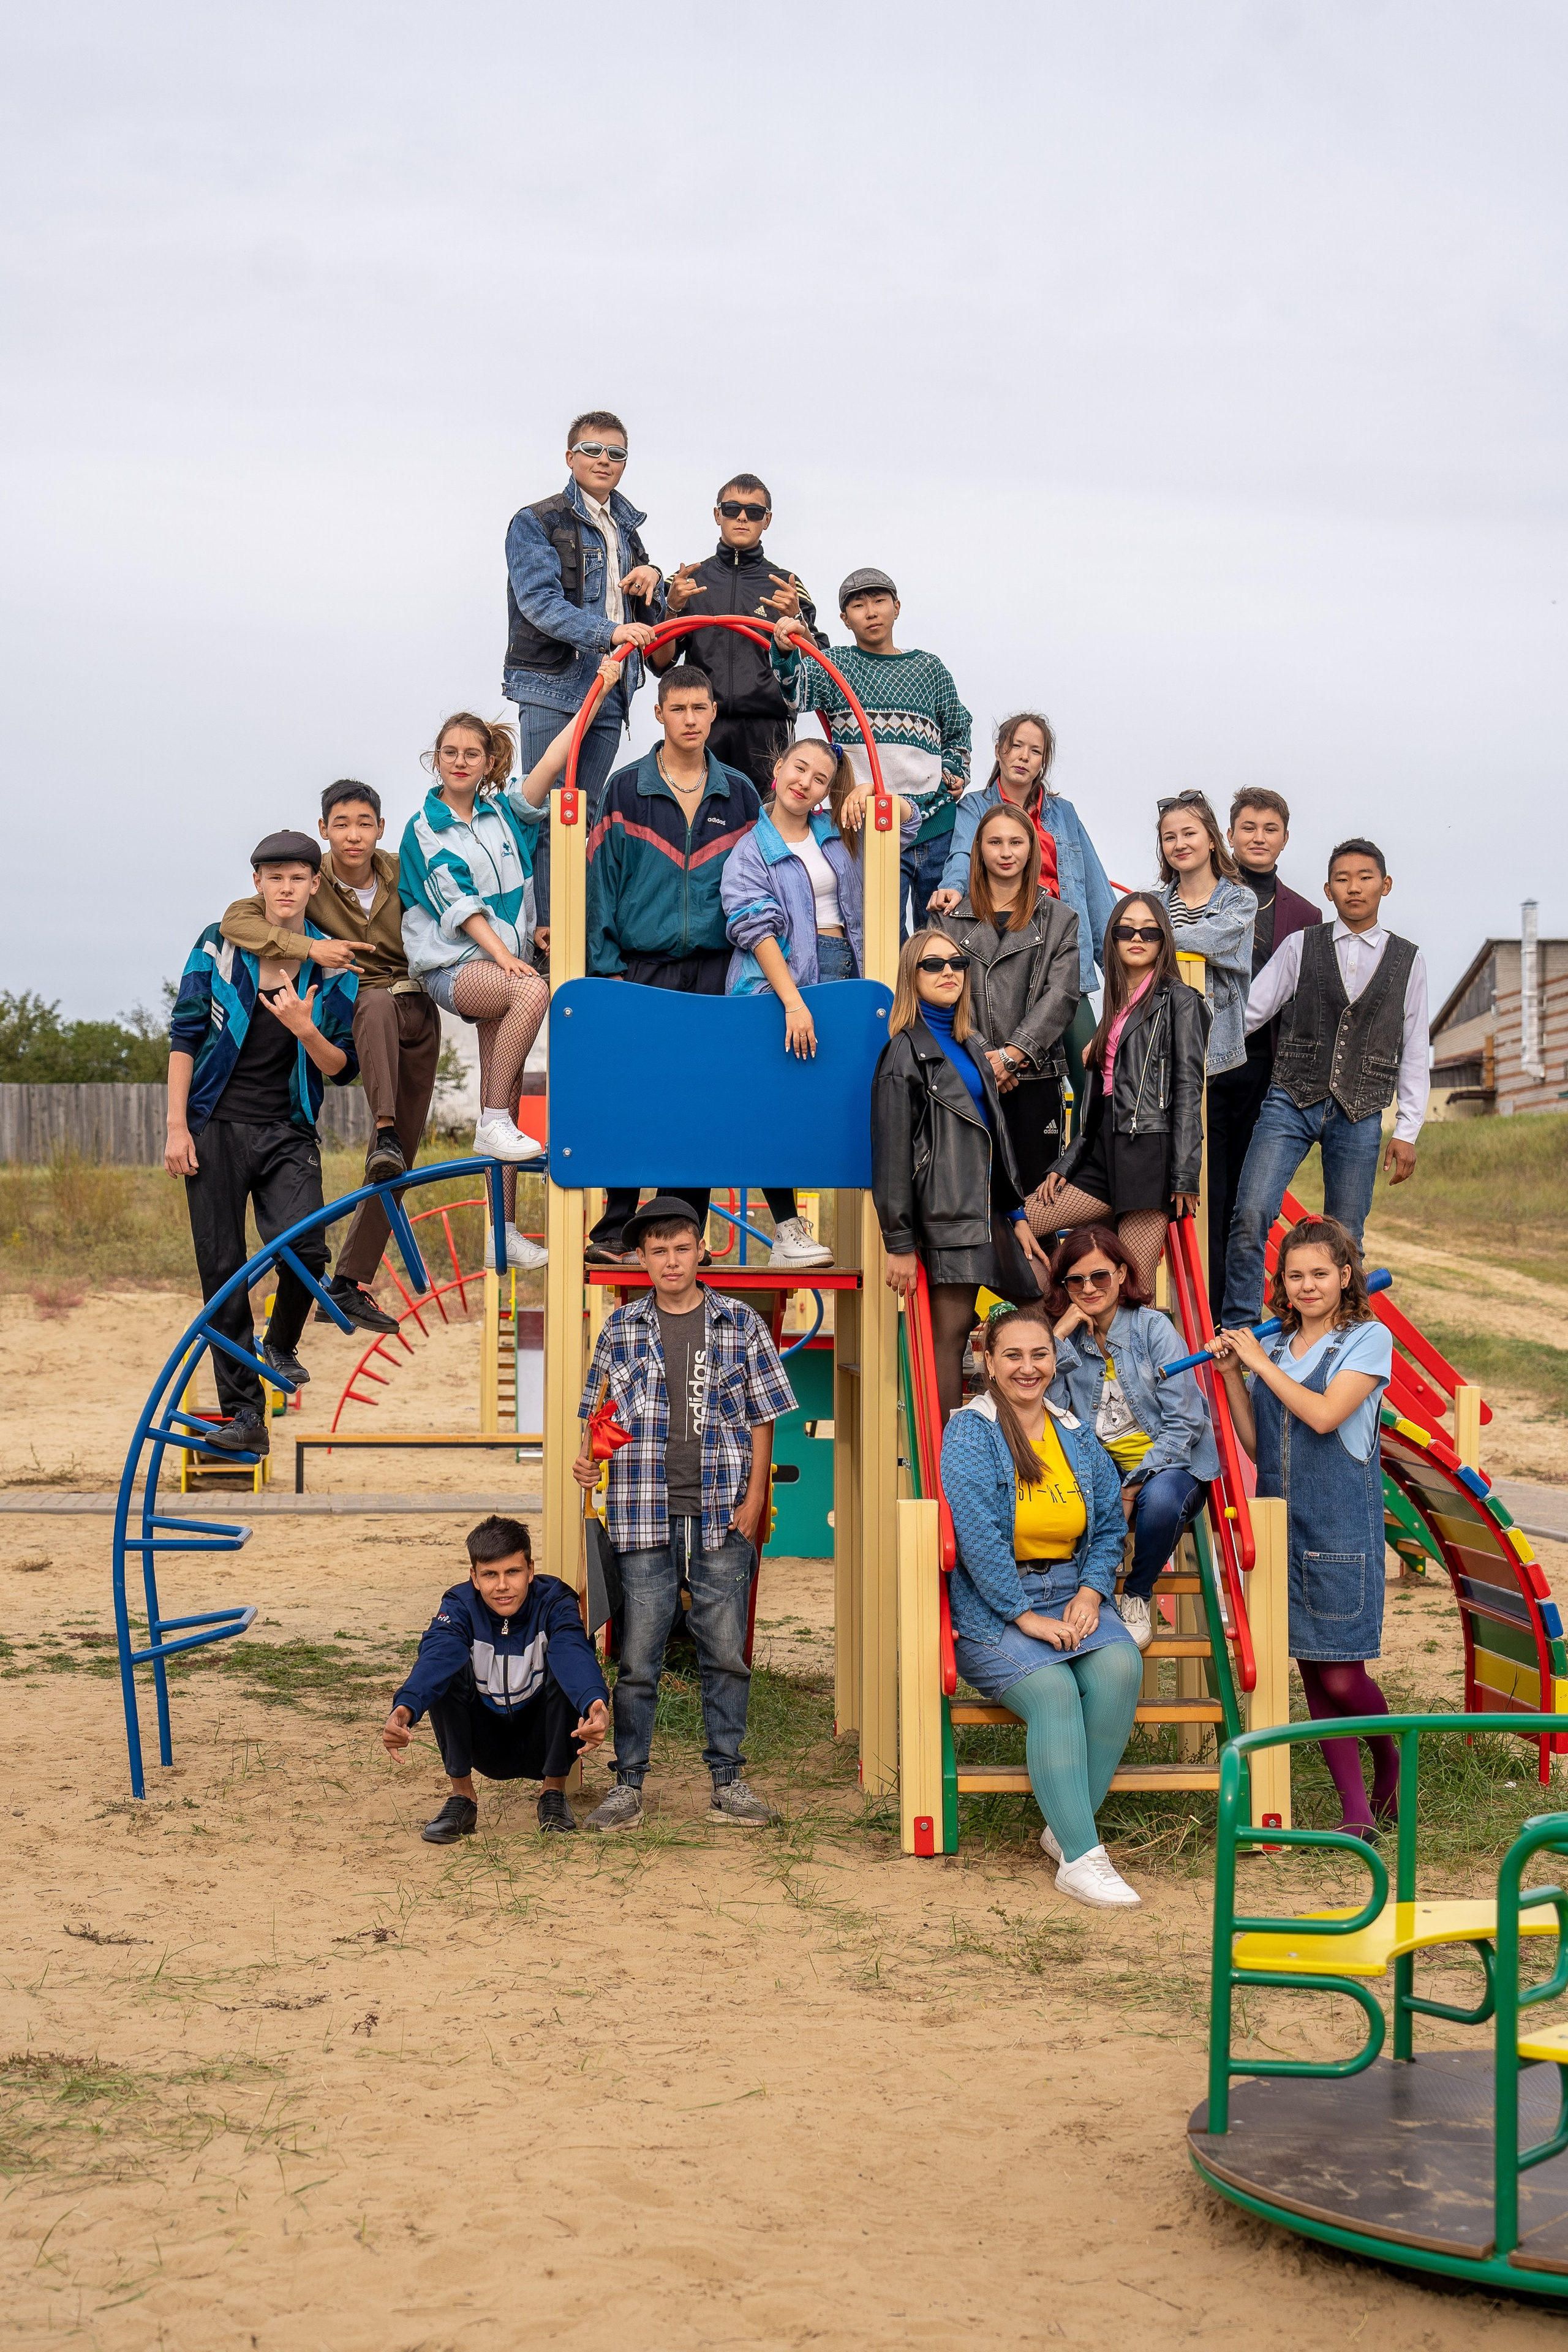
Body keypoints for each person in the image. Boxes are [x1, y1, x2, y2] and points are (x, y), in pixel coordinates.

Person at [583, 666, 823, 1271]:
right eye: (678, 708)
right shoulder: (625, 789)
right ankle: (617, 1229)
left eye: (700, 708)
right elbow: (600, 882)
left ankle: (680, 1231)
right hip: (641, 964)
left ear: (714, 713)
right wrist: (605, 966)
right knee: (636, 1091)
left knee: (698, 1095)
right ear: (660, 713)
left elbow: (765, 869)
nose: (690, 719)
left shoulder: (739, 792)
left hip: (719, 967)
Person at [572, 1198, 797, 1832]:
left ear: (702, 1249)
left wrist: (757, 1496)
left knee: (724, 1651)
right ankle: (628, 1785)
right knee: (639, 1655)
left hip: (724, 1511)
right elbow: (597, 1413)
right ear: (640, 1258)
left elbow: (762, 1415)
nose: (670, 1260)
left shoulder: (740, 1322)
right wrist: (586, 1462)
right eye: (657, 1251)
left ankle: (728, 1780)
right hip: (642, 1509)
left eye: (681, 1247)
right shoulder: (621, 1328)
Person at [222, 778, 442, 1336]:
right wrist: (310, 947)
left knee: (396, 1163)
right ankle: (384, 1125)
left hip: (418, 1005)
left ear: (380, 830)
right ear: (324, 831)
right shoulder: (308, 879)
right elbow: (236, 921)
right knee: (371, 1000)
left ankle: (349, 1282)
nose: (353, 835)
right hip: (369, 1009)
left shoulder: (401, 869)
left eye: (364, 824)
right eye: (340, 824)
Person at [941, 1300, 1143, 1907]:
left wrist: (1089, 1592)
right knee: (1053, 1690)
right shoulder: (971, 1431)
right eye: (1013, 1356)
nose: (1027, 1368)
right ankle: (1084, 1860)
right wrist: (1025, 1617)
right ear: (989, 1361)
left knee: (1119, 1669)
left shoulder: (1076, 1436)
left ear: (1054, 1359)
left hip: (1070, 1589)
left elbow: (1109, 1525)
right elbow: (976, 1535)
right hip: (995, 1607)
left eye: (1038, 1354)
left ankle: (1065, 1829)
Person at [165, 831, 360, 1457]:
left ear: (313, 885)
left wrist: (306, 1029)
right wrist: (175, 1126)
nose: (284, 887)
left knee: (305, 1246)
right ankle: (245, 1416)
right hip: (214, 1128)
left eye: (296, 878)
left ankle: (281, 1342)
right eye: (272, 876)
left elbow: (342, 1067)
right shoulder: (217, 945)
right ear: (258, 884)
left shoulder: (331, 966)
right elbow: (185, 1036)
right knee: (221, 1273)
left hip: (287, 1129)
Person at [1209, 1216, 1397, 1838]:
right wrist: (1234, 1373)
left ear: (1346, 1277)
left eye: (1320, 1273)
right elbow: (1259, 1446)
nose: (1308, 1285)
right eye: (1295, 1275)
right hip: (1281, 1521)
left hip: (1341, 1530)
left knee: (1342, 1670)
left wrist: (1259, 1362)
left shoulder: (1366, 1340)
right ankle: (1355, 1812)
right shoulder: (1280, 1349)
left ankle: (1391, 1754)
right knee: (1311, 1668)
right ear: (1282, 1284)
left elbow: (1321, 1416)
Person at [401, 699, 602, 1272]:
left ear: (488, 761)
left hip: (498, 963)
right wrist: (508, 959)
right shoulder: (426, 829)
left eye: (472, 753)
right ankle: (489, 1122)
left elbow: (545, 774)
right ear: (435, 761)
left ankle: (503, 1230)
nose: (460, 762)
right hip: (454, 965)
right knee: (534, 992)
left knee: (507, 1090)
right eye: (450, 753)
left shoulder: (500, 813)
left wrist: (592, 700)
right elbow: (461, 906)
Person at [1220, 839, 1429, 1330]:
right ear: (1328, 890)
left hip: (1361, 1111)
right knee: (1250, 1212)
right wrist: (1189, 1049)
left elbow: (1415, 1047)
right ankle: (1240, 1329)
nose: (1354, 887)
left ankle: (1339, 1335)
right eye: (1342, 879)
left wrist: (1409, 1130)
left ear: (1385, 885)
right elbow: (1251, 1013)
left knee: (1347, 1238)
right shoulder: (1301, 946)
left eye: (1365, 877)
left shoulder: (1409, 961)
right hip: (1290, 1099)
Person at [871, 929, 1047, 1424]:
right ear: (912, 975)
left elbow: (997, 1137)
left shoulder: (971, 1043)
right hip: (946, 1213)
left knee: (1040, 1296)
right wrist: (899, 1243)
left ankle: (1015, 1429)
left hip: (988, 1211)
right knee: (947, 1337)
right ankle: (951, 1461)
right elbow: (890, 1156)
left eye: (956, 962)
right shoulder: (903, 1053)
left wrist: (1016, 1214)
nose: (948, 971)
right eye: (932, 964)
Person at [503, 412, 666, 941]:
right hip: (555, 683)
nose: (604, 460)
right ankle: (544, 930)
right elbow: (540, 604)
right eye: (593, 449)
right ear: (570, 457)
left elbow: (651, 623)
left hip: (612, 687)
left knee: (586, 812)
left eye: (616, 453)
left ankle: (577, 931)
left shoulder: (629, 533)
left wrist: (654, 582)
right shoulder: (537, 520)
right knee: (548, 808)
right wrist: (610, 633)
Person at [381, 1514, 611, 1841]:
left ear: (531, 1570)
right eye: (490, 1575)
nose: (502, 1586)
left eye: (513, 1572)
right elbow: (437, 1654)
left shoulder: (556, 1600)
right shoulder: (459, 1604)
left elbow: (573, 1651)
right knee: (448, 1670)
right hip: (485, 1739)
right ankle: (462, 1798)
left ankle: (553, 1794)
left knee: (565, 1669)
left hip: (542, 1737)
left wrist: (595, 1702)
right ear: (474, 1577)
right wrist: (404, 1709)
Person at [1044, 1226, 1218, 1651]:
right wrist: (1057, 1337)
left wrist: (1135, 1483)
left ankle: (1138, 1593)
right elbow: (1045, 1410)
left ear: (1122, 1274)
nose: (1088, 1289)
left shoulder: (1152, 1329)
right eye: (1075, 1281)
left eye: (1100, 1276)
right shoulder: (1069, 1342)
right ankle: (1079, 1599)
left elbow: (1185, 1423)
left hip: (1172, 1466)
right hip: (1103, 1471)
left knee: (1158, 1501)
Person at [769, 573, 970, 938]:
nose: (871, 612)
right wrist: (785, 650)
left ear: (896, 607)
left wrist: (954, 771)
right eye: (858, 605)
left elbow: (958, 728)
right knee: (883, 938)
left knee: (944, 937)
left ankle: (936, 995)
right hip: (872, 828)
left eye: (879, 601)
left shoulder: (930, 669)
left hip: (935, 820)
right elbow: (795, 693)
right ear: (845, 619)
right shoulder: (836, 664)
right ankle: (888, 998)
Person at [1026, 895, 1208, 1294]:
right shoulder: (1112, 1005)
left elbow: (1187, 1093)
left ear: (1164, 941)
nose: (1137, 937)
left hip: (1148, 1154)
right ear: (1112, 938)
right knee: (1020, 1220)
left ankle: (1131, 1355)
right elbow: (1096, 1112)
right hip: (1101, 1153)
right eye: (1126, 929)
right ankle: (1045, 1323)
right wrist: (1066, 1163)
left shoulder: (1180, 1001)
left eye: (1149, 931)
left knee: (1134, 1293)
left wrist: (1184, 1176)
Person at [929, 711, 1112, 1100]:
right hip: (1003, 942)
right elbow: (963, 854)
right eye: (1016, 746)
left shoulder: (1063, 814)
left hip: (1057, 943)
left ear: (1043, 762)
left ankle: (1078, 1162)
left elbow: (1093, 887)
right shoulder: (976, 807)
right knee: (995, 1067)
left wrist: (1116, 965)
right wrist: (951, 887)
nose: (1024, 757)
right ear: (999, 751)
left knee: (1091, 1074)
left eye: (1036, 751)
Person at [1203, 790, 1322, 1321]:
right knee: (1207, 1189)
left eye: (1269, 828)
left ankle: (1237, 1313)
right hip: (1205, 1063)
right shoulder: (1209, 893)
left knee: (1248, 1202)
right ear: (1229, 835)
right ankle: (1202, 1303)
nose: (1257, 837)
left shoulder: (1306, 914)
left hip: (1266, 1068)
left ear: (1285, 839)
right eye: (1247, 827)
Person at [937, 801, 1082, 1195]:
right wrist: (987, 1061)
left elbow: (1063, 995)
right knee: (970, 1205)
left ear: (1031, 850)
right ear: (978, 848)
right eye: (995, 842)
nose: (1005, 852)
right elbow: (938, 995)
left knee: (1036, 1209)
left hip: (1035, 1079)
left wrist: (1011, 1056)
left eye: (1016, 842)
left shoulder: (1061, 917)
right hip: (967, 1076)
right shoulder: (946, 918)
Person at [647, 473, 826, 790]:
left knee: (765, 824)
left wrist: (795, 616)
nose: (742, 517)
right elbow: (661, 664)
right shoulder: (684, 582)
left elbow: (818, 665)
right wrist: (671, 608)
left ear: (767, 520)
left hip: (767, 728)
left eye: (754, 512)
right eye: (732, 509)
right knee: (699, 824)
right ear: (717, 514)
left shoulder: (787, 585)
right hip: (702, 725)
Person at [721, 733, 917, 1003]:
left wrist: (874, 794)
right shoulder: (749, 851)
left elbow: (907, 825)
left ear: (825, 793)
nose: (804, 783)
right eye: (799, 768)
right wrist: (792, 1003)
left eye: (819, 779)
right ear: (780, 768)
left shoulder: (843, 830)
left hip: (855, 965)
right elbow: (758, 932)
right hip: (785, 982)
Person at [1152, 790, 1255, 1076]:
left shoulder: (1240, 900)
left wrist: (1156, 938)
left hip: (1218, 1051)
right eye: (1169, 837)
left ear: (1211, 839)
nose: (1179, 844)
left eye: (1189, 834)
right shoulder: (1153, 904)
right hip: (1160, 1046)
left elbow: (1213, 938)